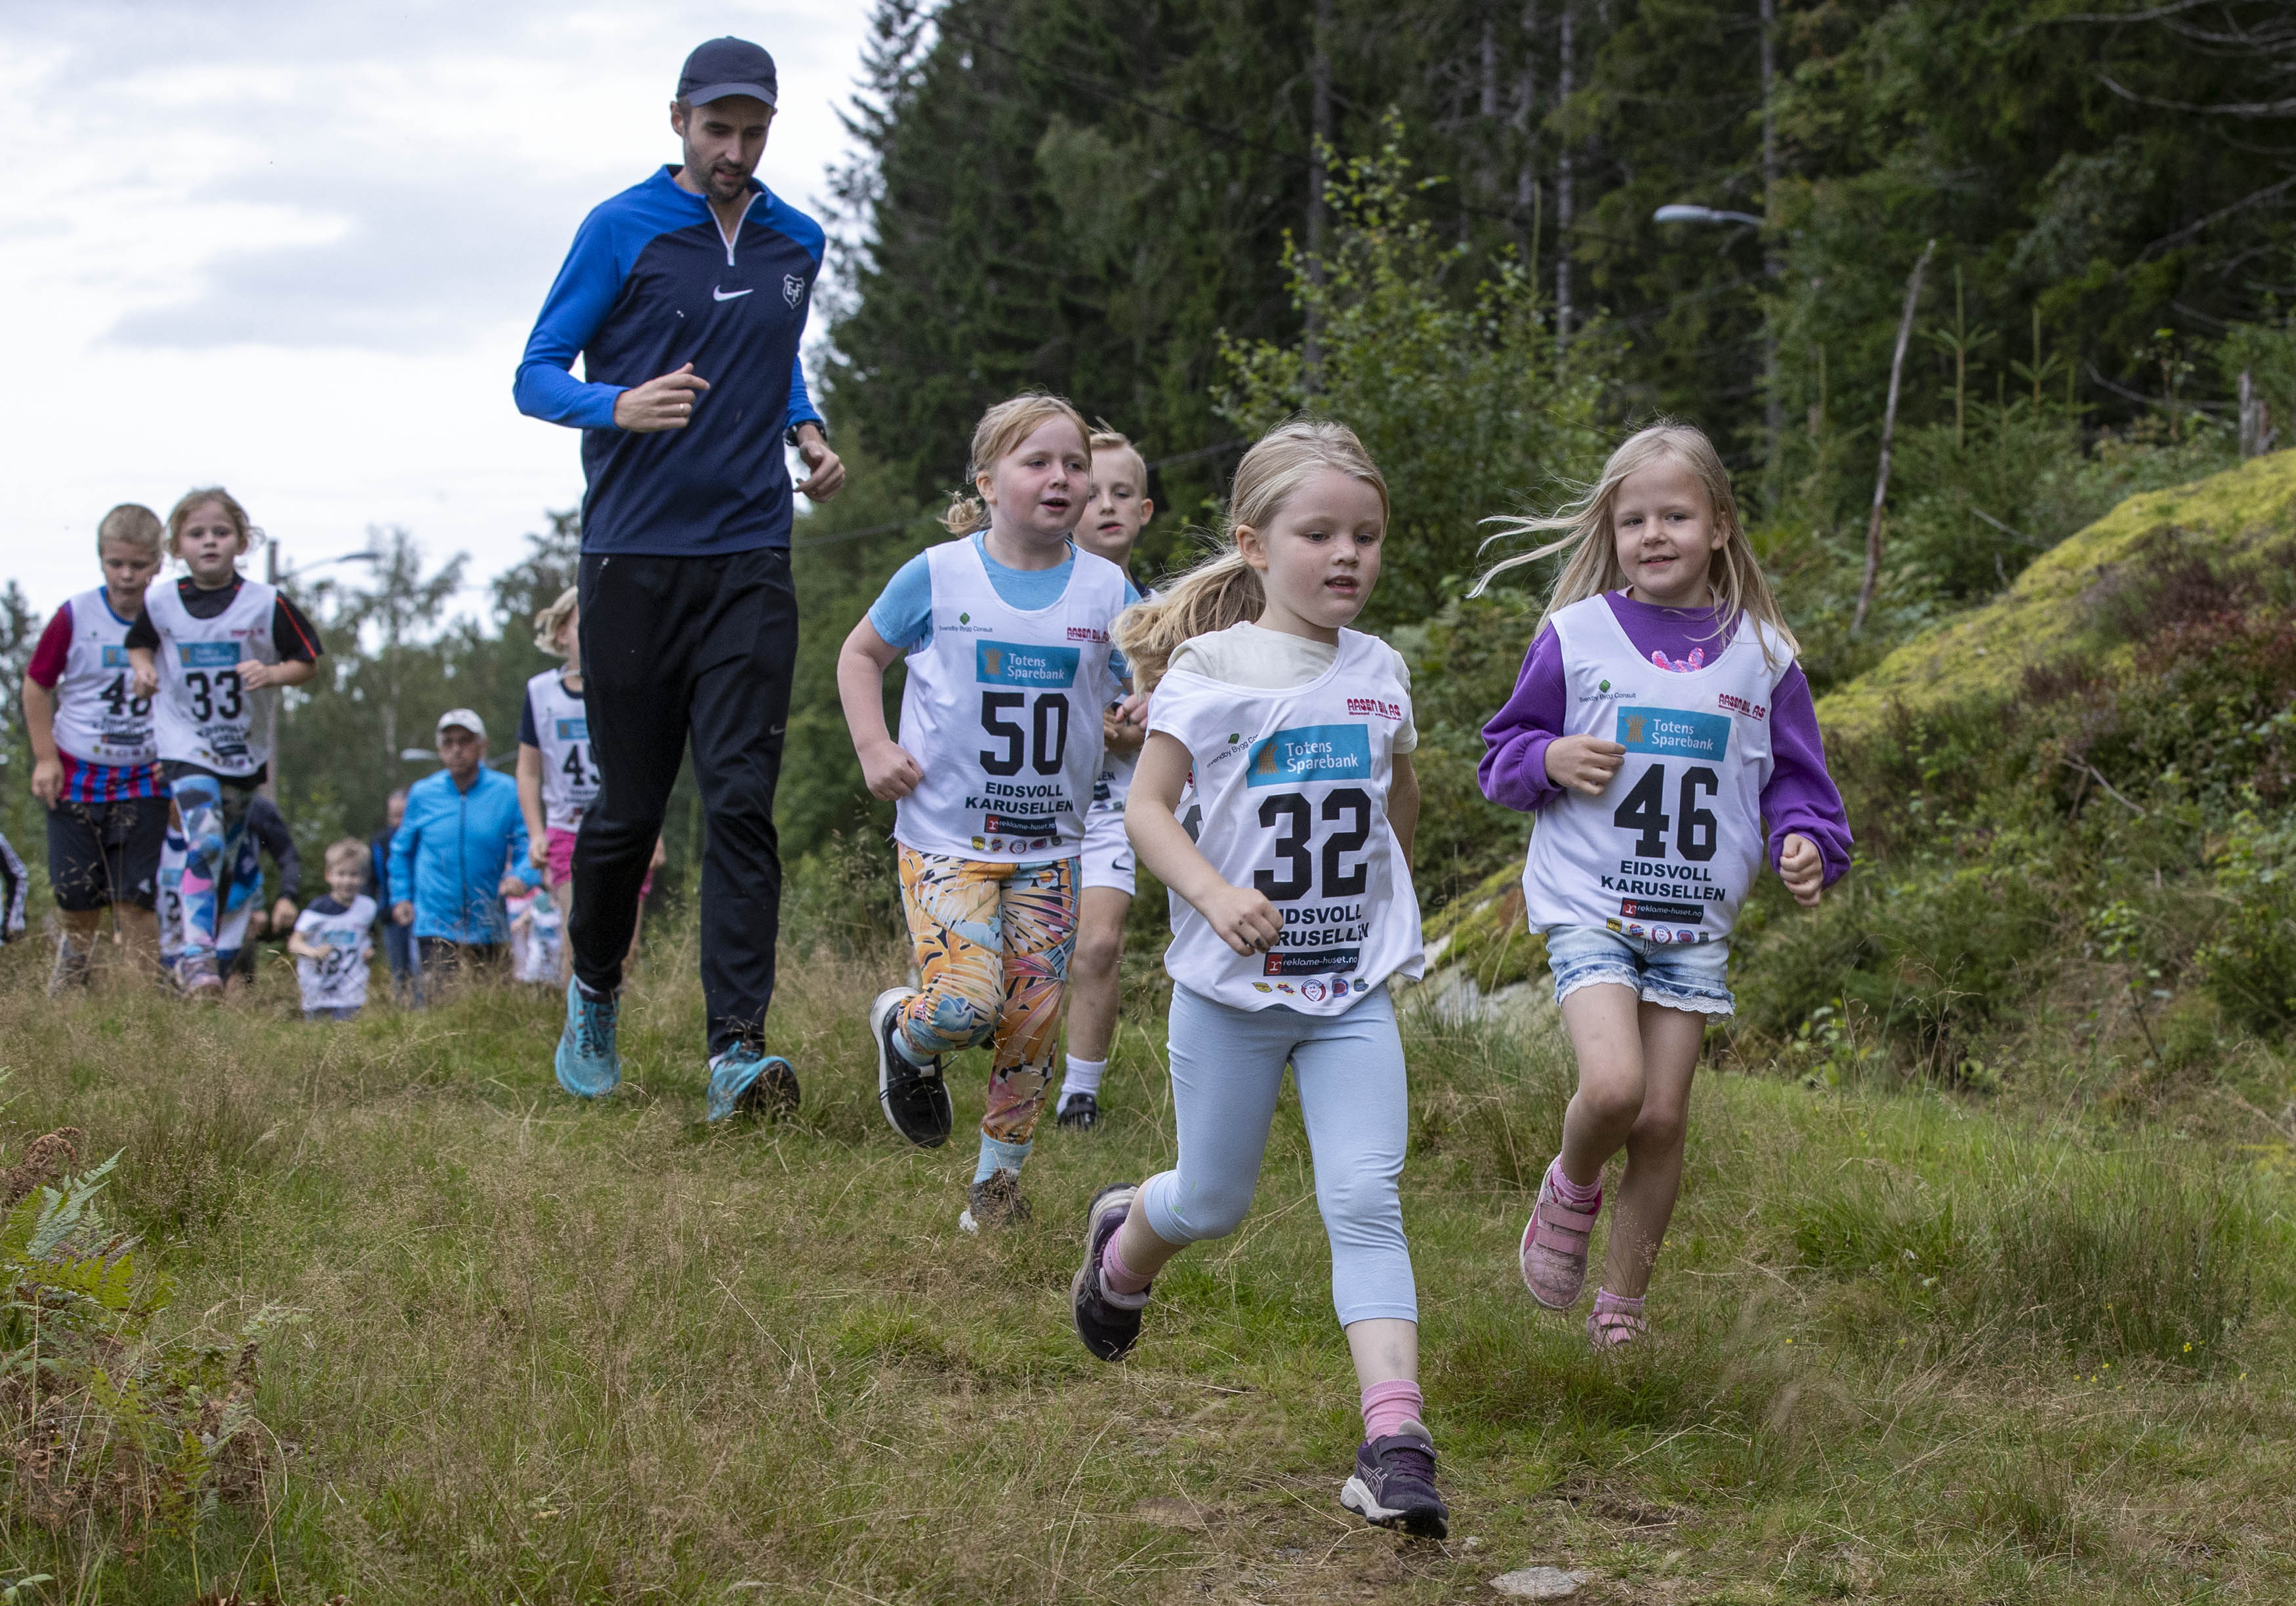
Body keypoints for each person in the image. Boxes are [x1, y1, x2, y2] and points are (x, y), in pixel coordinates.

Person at [516, 35, 845, 1116]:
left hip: (750, 553)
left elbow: (772, 348)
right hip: (632, 559)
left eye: (753, 132)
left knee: (741, 802)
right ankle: (595, 989)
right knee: (627, 811)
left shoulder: (799, 239)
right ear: (678, 121)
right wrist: (616, 404)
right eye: (717, 129)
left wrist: (805, 429)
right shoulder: (619, 228)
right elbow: (534, 374)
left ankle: (736, 1051)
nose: (734, 151)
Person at [1475, 422, 1852, 1347]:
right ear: (1610, 533)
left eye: (1675, 516)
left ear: (1719, 525)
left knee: (1660, 1118)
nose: (1653, 534)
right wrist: (1549, 758)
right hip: (1591, 906)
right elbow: (1501, 758)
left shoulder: (1764, 657)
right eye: (1632, 519)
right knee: (1612, 1088)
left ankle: (1621, 1311)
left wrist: (1806, 843)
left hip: (1693, 925)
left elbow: (1796, 782)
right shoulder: (1576, 636)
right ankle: (1570, 1189)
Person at [837, 393, 1132, 1231]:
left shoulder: (1107, 587)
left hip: (1051, 849)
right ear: (987, 481)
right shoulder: (936, 575)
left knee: (1031, 1023)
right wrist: (873, 746)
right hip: (945, 841)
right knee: (964, 1006)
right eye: (1037, 462)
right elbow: (859, 655)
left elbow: (1142, 679)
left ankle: (994, 1192)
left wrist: (1142, 704)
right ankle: (903, 1033)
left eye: (1074, 465)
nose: (1060, 478)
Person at [126, 488, 323, 997]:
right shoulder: (161, 601)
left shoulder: (266, 603)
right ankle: (196, 957)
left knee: (223, 858)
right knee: (206, 839)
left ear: (242, 541)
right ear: (177, 546)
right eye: (197, 534)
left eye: (221, 532)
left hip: (242, 749)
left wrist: (272, 673)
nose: (209, 541)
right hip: (184, 740)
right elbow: (139, 644)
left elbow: (307, 662)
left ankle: (209, 959)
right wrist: (144, 671)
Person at [1052, 428, 1155, 1132]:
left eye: (1123, 494)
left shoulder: (1165, 612)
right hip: (1026, 800)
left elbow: (1181, 711)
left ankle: (1079, 1094)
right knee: (1014, 956)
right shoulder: (1032, 593)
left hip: (1113, 801)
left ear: (1144, 511)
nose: (1108, 507)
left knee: (1097, 944)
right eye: (1094, 495)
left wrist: (1140, 725)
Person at [22, 504, 170, 989]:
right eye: (116, 563)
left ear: (158, 563)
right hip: (76, 772)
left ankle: (142, 1001)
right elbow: (37, 685)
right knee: (76, 893)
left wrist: (179, 759)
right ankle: (74, 981)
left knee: (136, 897)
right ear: (101, 559)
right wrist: (45, 758)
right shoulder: (74, 615)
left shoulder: (170, 617)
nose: (127, 576)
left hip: (144, 776)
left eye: (139, 565)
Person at [515, 587, 661, 981]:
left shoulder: (626, 687)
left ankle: (613, 1018)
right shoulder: (540, 693)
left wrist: (656, 833)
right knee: (577, 940)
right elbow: (528, 772)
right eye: (585, 624)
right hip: (567, 829)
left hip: (626, 827)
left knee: (626, 948)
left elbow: (648, 766)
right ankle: (579, 1021)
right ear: (562, 632)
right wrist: (535, 833)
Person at [388, 710, 541, 993]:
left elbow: (530, 846)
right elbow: (401, 851)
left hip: (490, 924)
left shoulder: (507, 791)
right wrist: (401, 897)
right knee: (443, 1008)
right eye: (448, 742)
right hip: (436, 924)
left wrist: (521, 877)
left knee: (494, 1008)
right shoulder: (423, 794)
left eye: (465, 741)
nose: (456, 749)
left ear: (482, 745)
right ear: (440, 749)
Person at [159, 791, 301, 991]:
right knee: (176, 981)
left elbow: (287, 855)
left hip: (240, 904)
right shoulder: (177, 795)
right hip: (177, 908)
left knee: (233, 976)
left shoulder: (257, 807)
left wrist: (286, 896)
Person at [289, 838, 376, 1021]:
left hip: (351, 994)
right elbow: (294, 943)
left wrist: (369, 951)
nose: (347, 881)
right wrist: (313, 953)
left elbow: (366, 935)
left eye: (354, 875)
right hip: (317, 992)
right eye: (341, 874)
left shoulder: (368, 908)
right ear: (328, 875)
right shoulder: (318, 909)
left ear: (365, 877)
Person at [369, 789, 413, 999]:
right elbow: (371, 882)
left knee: (421, 970)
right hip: (390, 917)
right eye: (394, 816)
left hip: (422, 916)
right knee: (399, 972)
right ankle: (402, 1009)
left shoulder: (423, 842)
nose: (399, 822)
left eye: (404, 815)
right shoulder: (380, 842)